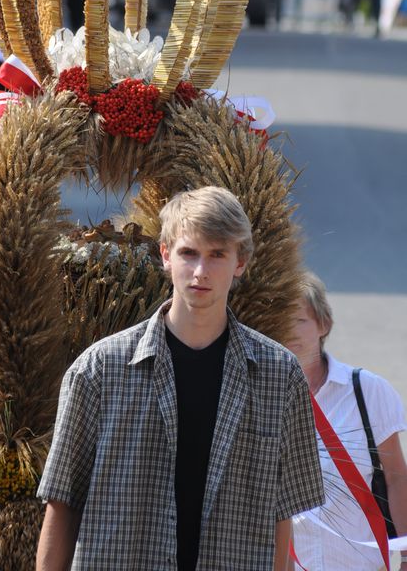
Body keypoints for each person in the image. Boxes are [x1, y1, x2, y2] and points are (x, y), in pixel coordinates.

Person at [36, 186, 325, 571]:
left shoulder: (279, 376)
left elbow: (281, 515)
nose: (201, 271)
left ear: (240, 262)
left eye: (217, 254)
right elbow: (62, 505)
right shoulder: (98, 371)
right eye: (189, 253)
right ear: (166, 255)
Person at [287, 271, 407, 571]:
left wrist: (406, 556)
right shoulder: (258, 395)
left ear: (323, 324)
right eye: (279, 319)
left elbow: (396, 477)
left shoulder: (367, 390)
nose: (288, 330)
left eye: (299, 319)